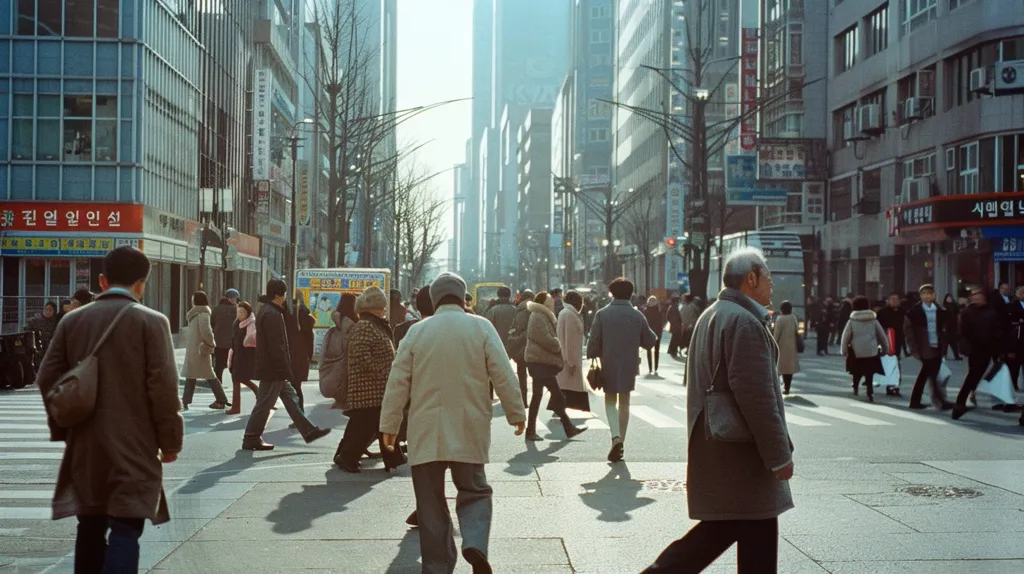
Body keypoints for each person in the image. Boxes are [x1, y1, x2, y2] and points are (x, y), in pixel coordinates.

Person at [644, 247, 793, 573]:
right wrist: (779, 455)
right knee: (735, 528)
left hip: (719, 444)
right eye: (767, 276)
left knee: (741, 529)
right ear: (750, 278)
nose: (771, 284)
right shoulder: (743, 322)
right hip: (741, 452)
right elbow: (758, 398)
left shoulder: (714, 313)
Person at [34, 246, 183, 573]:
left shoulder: (72, 321)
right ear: (141, 284)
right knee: (127, 526)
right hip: (136, 444)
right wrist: (170, 442)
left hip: (86, 443)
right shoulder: (152, 323)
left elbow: (46, 376)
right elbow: (164, 390)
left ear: (102, 280)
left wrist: (66, 425)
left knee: (89, 524)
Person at [380, 272, 527, 574]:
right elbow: (503, 373)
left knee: (430, 501)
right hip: (469, 425)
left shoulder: (417, 332)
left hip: (426, 429)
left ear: (434, 300)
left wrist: (390, 425)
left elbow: (398, 382)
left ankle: (437, 566)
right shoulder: (481, 327)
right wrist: (516, 413)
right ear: (462, 298)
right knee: (474, 490)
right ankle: (474, 542)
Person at [242, 279, 331, 450]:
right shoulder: (273, 314)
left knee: (291, 398)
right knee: (264, 404)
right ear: (277, 295)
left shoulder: (268, 311)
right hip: (273, 369)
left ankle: (308, 430)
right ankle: (251, 437)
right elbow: (277, 346)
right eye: (283, 294)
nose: (284, 298)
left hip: (273, 367)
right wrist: (285, 369)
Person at [335, 287, 406, 473]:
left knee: (368, 426)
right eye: (381, 306)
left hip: (373, 388)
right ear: (373, 308)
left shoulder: (373, 324)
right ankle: (349, 457)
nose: (384, 309)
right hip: (369, 388)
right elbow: (361, 356)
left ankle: (389, 457)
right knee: (366, 427)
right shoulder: (366, 326)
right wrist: (383, 372)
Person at [586, 278, 658, 463]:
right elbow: (650, 340)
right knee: (624, 402)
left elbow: (593, 341)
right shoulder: (637, 315)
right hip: (629, 363)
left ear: (611, 293)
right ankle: (621, 442)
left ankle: (615, 437)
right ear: (631, 293)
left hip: (608, 361)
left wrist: (593, 354)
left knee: (610, 400)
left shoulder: (602, 314)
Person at [524, 291, 587, 441]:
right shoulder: (538, 316)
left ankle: (533, 430)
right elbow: (545, 339)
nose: (552, 302)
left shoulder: (542, 315)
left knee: (539, 396)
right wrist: (557, 344)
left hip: (540, 362)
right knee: (556, 395)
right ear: (542, 302)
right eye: (549, 301)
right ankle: (567, 427)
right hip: (539, 363)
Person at [953, 287, 1006, 420]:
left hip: (988, 349)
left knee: (979, 374)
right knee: (972, 374)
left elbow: (997, 332)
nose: (978, 297)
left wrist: (998, 350)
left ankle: (972, 395)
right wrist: (965, 348)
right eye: (975, 295)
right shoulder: (967, 312)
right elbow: (961, 332)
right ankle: (959, 404)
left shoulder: (991, 312)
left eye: (980, 295)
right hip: (974, 349)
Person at [904, 284, 954, 411]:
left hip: (937, 346)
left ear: (934, 295)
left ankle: (920, 401)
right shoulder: (914, 312)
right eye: (924, 293)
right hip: (924, 347)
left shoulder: (940, 310)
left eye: (929, 293)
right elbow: (909, 332)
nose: (927, 296)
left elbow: (947, 329)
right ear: (920, 296)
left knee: (929, 375)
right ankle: (939, 401)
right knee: (930, 374)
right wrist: (914, 348)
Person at [181, 291, 230, 410]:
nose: (192, 301)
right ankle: (186, 401)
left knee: (197, 376)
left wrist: (210, 342)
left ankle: (220, 399)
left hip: (198, 350)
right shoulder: (202, 313)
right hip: (200, 350)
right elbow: (207, 331)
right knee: (204, 375)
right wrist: (211, 343)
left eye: (193, 299)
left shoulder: (199, 314)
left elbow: (206, 331)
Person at [841, 296, 889, 402]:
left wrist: (843, 350)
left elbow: (846, 336)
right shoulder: (873, 320)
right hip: (871, 351)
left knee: (856, 371)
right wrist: (886, 349)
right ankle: (870, 392)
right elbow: (882, 335)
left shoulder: (852, 320)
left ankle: (855, 387)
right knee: (869, 372)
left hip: (856, 351)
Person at [226, 301, 260, 415]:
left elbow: (252, 341)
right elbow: (233, 339)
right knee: (240, 379)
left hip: (246, 356)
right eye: (238, 312)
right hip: (236, 355)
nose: (239, 315)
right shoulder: (236, 323)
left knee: (239, 379)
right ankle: (259, 394)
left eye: (242, 312)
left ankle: (236, 407)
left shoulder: (251, 324)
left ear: (248, 313)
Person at [556, 290, 588, 412]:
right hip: (570, 357)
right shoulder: (569, 315)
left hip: (569, 356)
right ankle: (559, 407)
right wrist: (570, 361)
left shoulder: (566, 313)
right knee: (570, 385)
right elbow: (568, 339)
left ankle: (558, 407)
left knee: (566, 385)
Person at [506, 290, 535, 407]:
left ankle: (523, 400)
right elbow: (531, 329)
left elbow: (513, 327)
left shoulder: (518, 310)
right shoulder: (532, 309)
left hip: (519, 349)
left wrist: (513, 337)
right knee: (536, 376)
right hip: (532, 347)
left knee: (522, 376)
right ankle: (534, 400)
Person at [287, 300, 315, 412]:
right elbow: (310, 345)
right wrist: (309, 358)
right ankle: (300, 414)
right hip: (302, 359)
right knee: (296, 388)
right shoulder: (307, 325)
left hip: (292, 359)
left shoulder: (290, 325)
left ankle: (299, 415)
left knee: (293, 389)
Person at [772, 300, 801, 395]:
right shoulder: (793, 318)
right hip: (792, 347)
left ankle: (779, 387)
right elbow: (797, 330)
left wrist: (773, 344)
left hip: (781, 347)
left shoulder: (780, 319)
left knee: (780, 368)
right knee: (789, 369)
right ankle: (787, 387)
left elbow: (776, 335)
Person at [211, 288, 240, 382]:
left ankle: (218, 384)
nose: (236, 300)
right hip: (232, 343)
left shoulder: (216, 309)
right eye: (235, 298)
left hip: (218, 342)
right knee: (233, 365)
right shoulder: (237, 310)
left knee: (219, 365)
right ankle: (236, 384)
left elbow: (211, 323)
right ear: (230, 299)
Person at [483, 286, 518, 351]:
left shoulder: (493, 310)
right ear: (509, 295)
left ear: (498, 295)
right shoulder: (515, 309)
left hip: (497, 342)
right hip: (512, 343)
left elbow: (487, 327)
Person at [642, 295, 667, 376]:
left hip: (653, 332)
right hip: (654, 332)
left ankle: (654, 367)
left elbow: (662, 322)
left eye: (653, 301)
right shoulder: (657, 311)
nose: (652, 302)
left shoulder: (648, 311)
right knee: (652, 350)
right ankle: (652, 368)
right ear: (648, 302)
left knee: (654, 350)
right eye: (651, 301)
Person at [876, 293, 906, 359]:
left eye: (897, 299)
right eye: (893, 299)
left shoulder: (903, 312)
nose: (895, 301)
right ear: (889, 301)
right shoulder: (882, 312)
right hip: (886, 339)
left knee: (896, 358)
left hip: (899, 339)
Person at [1008, 286, 1024, 392]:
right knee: (1016, 365)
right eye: (1022, 292)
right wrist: (1018, 321)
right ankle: (1013, 383)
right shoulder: (1013, 305)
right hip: (1018, 338)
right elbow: (1010, 320)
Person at [942, 293, 963, 361]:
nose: (949, 299)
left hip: (953, 326)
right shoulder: (944, 306)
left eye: (950, 298)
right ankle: (944, 355)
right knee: (945, 343)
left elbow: (957, 314)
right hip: (947, 326)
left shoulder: (954, 305)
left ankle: (956, 355)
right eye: (948, 298)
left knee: (953, 342)